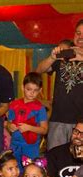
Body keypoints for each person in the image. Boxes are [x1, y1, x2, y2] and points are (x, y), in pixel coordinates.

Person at [36, 19, 83, 150]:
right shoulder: (65, 54)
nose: (80, 37)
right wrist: (52, 57)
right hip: (59, 119)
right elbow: (39, 70)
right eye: (78, 33)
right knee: (55, 158)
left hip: (81, 123)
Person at [7, 72, 48, 170]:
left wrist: (29, 127)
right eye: (28, 89)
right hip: (14, 145)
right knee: (14, 171)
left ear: (40, 91)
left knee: (29, 171)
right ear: (22, 87)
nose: (32, 93)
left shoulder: (40, 108)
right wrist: (10, 126)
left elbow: (44, 130)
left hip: (31, 147)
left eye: (35, 90)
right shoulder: (14, 104)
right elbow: (8, 122)